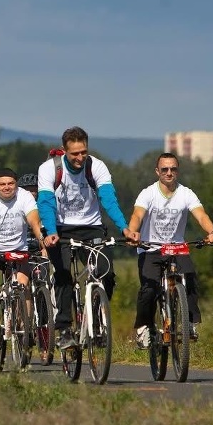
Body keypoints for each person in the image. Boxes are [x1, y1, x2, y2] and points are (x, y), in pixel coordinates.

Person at [37, 126, 138, 349]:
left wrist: (124, 228)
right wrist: (51, 231)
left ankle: (95, 320)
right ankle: (64, 329)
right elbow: (45, 202)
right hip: (60, 229)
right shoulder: (49, 169)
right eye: (74, 154)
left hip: (91, 227)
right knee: (63, 275)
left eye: (83, 152)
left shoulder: (96, 166)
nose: (80, 158)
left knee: (106, 273)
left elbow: (108, 200)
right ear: (64, 151)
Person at [127, 152, 213, 347]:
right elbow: (137, 215)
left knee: (191, 277)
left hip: (177, 247)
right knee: (148, 289)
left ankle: (190, 323)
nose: (169, 173)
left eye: (173, 169)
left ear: (177, 171)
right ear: (157, 171)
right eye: (165, 169)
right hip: (150, 248)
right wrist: (132, 233)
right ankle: (144, 328)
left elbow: (201, 215)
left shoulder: (186, 193)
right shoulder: (148, 193)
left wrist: (211, 231)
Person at [0, 169, 45, 338]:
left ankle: (24, 329)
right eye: (2, 184)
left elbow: (35, 222)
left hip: (18, 250)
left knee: (23, 285)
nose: (7, 187)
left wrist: (44, 246)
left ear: (16, 184)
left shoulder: (25, 196)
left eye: (11, 183)